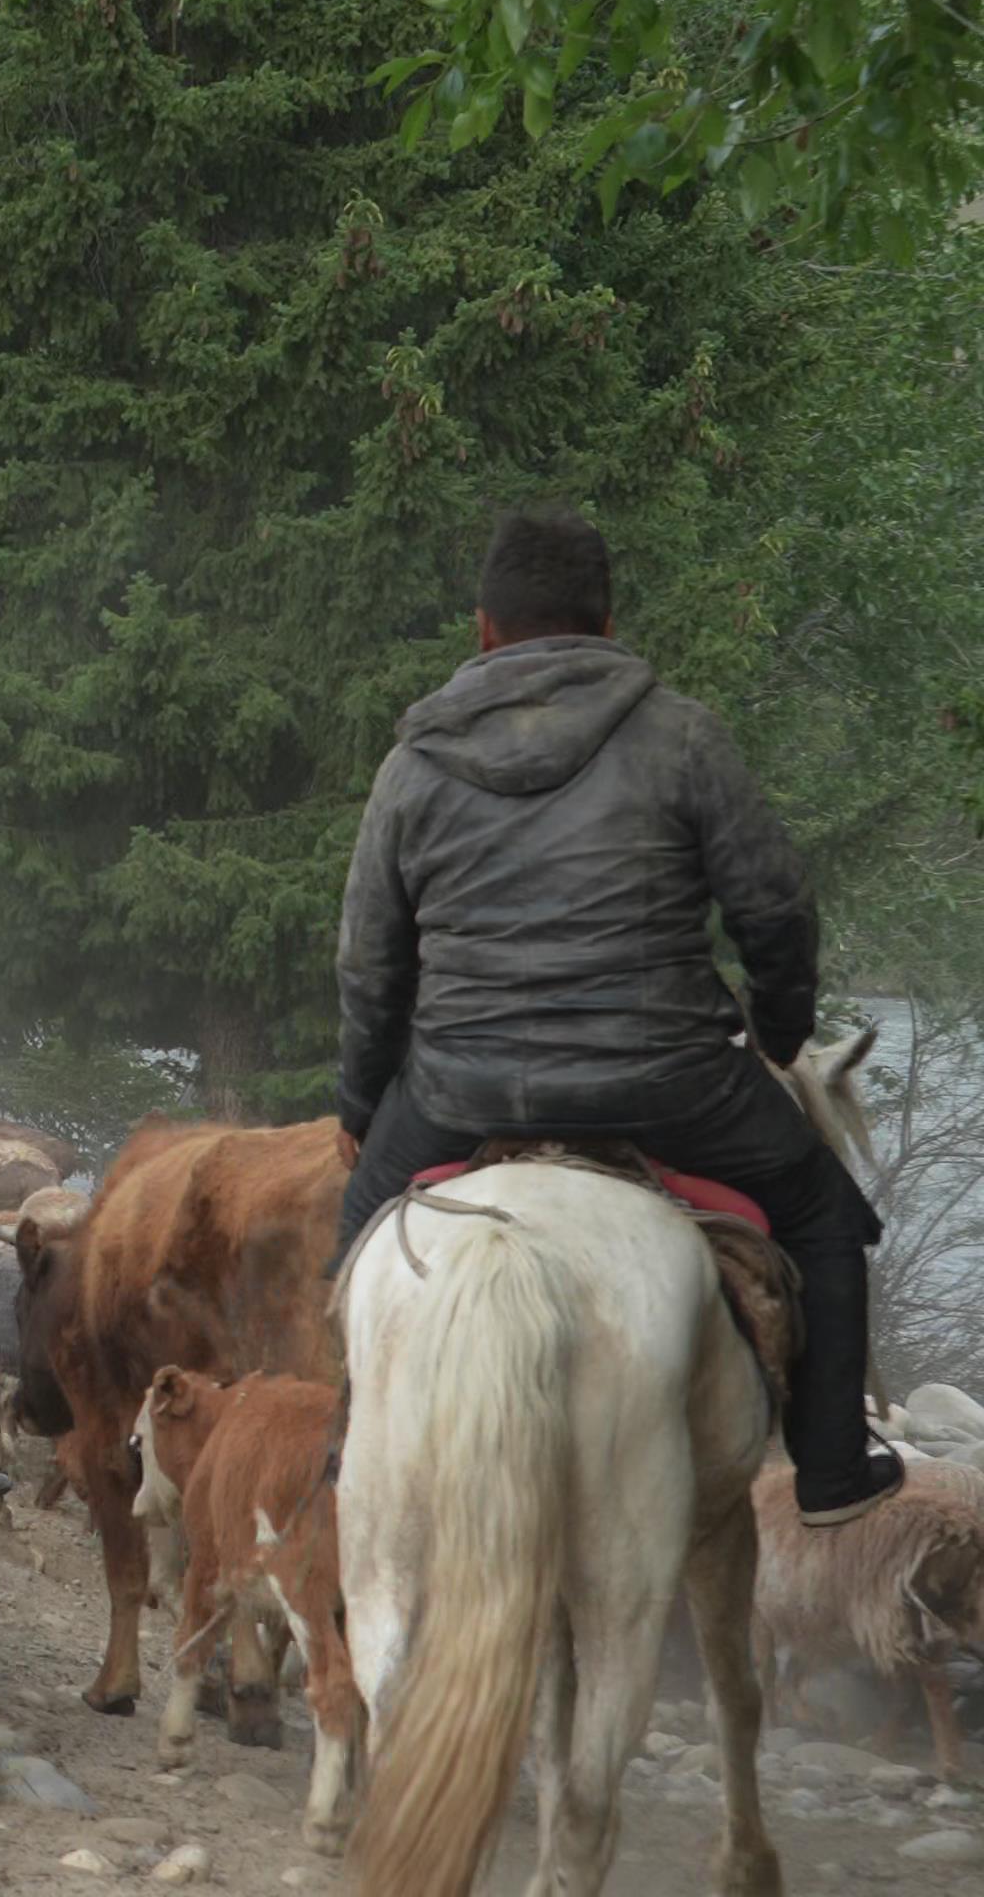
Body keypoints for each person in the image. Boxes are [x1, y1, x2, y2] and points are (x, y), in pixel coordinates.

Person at [331, 505, 902, 1525]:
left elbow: (370, 963)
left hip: (464, 1087)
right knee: (825, 1218)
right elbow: (775, 909)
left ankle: (350, 1444)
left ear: (484, 628)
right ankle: (828, 1471)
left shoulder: (413, 763)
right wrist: (776, 1038)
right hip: (672, 1083)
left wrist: (360, 1103)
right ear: (607, 623)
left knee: (361, 1227)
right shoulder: (682, 735)